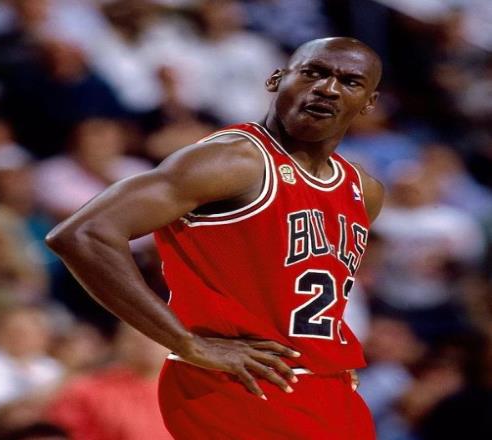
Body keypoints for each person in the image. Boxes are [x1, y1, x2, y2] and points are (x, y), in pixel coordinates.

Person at [46, 37, 384, 439]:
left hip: (329, 387)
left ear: (368, 103)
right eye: (313, 72)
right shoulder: (232, 159)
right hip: (242, 383)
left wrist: (326, 362)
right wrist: (184, 341)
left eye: (349, 81)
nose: (327, 88)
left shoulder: (363, 189)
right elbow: (83, 234)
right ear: (276, 79)